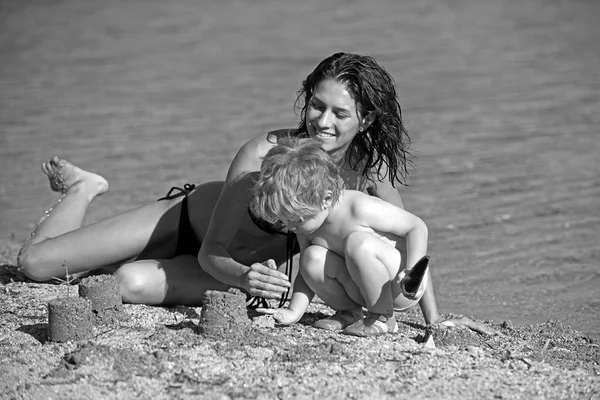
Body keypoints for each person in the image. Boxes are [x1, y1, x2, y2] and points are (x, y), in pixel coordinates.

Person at [17, 52, 491, 333]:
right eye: (316, 106)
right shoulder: (263, 153)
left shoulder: (367, 168)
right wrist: (245, 277)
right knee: (35, 265)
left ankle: (110, 258)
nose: (322, 122)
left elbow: (405, 248)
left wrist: (434, 318)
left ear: (365, 120)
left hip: (249, 278)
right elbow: (212, 252)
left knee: (126, 283)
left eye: (340, 114)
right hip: (192, 226)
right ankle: (84, 188)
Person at [250, 137, 430, 336]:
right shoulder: (308, 226)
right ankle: (349, 312)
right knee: (311, 257)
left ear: (326, 199)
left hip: (398, 287)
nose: (291, 228)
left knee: (358, 242)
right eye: (285, 221)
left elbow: (416, 226)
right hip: (360, 288)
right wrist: (294, 312)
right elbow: (306, 273)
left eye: (297, 220)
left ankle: (383, 318)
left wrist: (412, 274)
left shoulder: (358, 207)